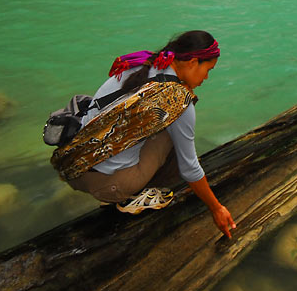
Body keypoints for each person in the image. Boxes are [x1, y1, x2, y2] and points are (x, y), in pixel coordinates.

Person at [58, 30, 236, 238]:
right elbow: (189, 168)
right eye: (208, 69)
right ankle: (131, 197)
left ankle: (116, 184)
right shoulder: (176, 100)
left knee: (164, 124)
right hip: (108, 185)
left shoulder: (142, 63)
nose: (206, 77)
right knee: (174, 134)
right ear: (192, 62)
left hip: (74, 169)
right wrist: (216, 208)